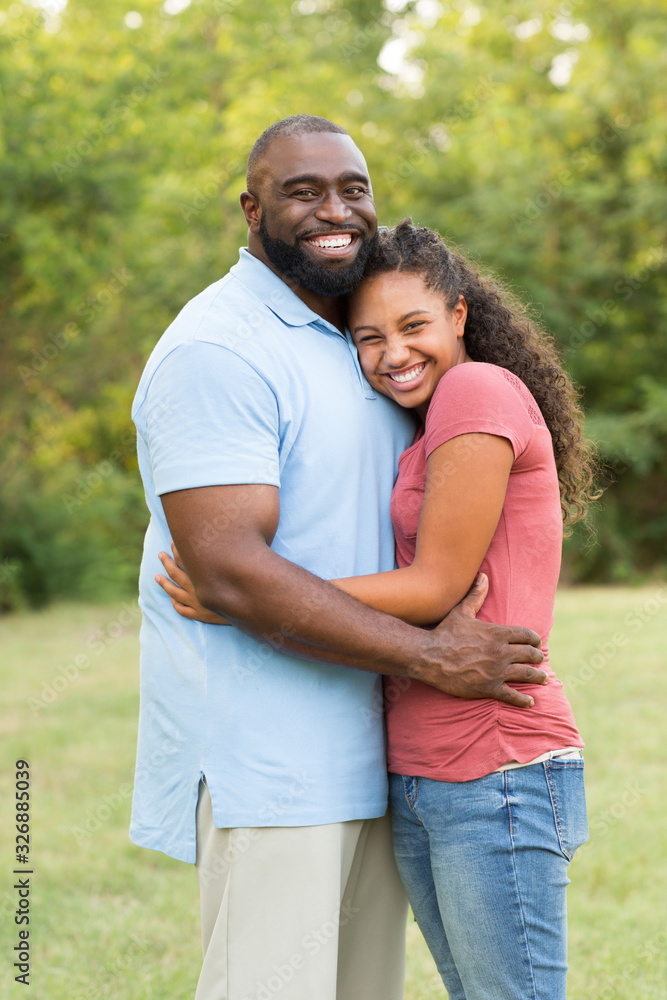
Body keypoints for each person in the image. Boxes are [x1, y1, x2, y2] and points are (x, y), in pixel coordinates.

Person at [132, 115, 548, 1000]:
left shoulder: (358, 343)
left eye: (352, 188)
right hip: (271, 760)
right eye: (302, 190)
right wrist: (430, 655)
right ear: (252, 210)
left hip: (377, 751)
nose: (335, 210)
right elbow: (231, 571)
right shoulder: (218, 347)